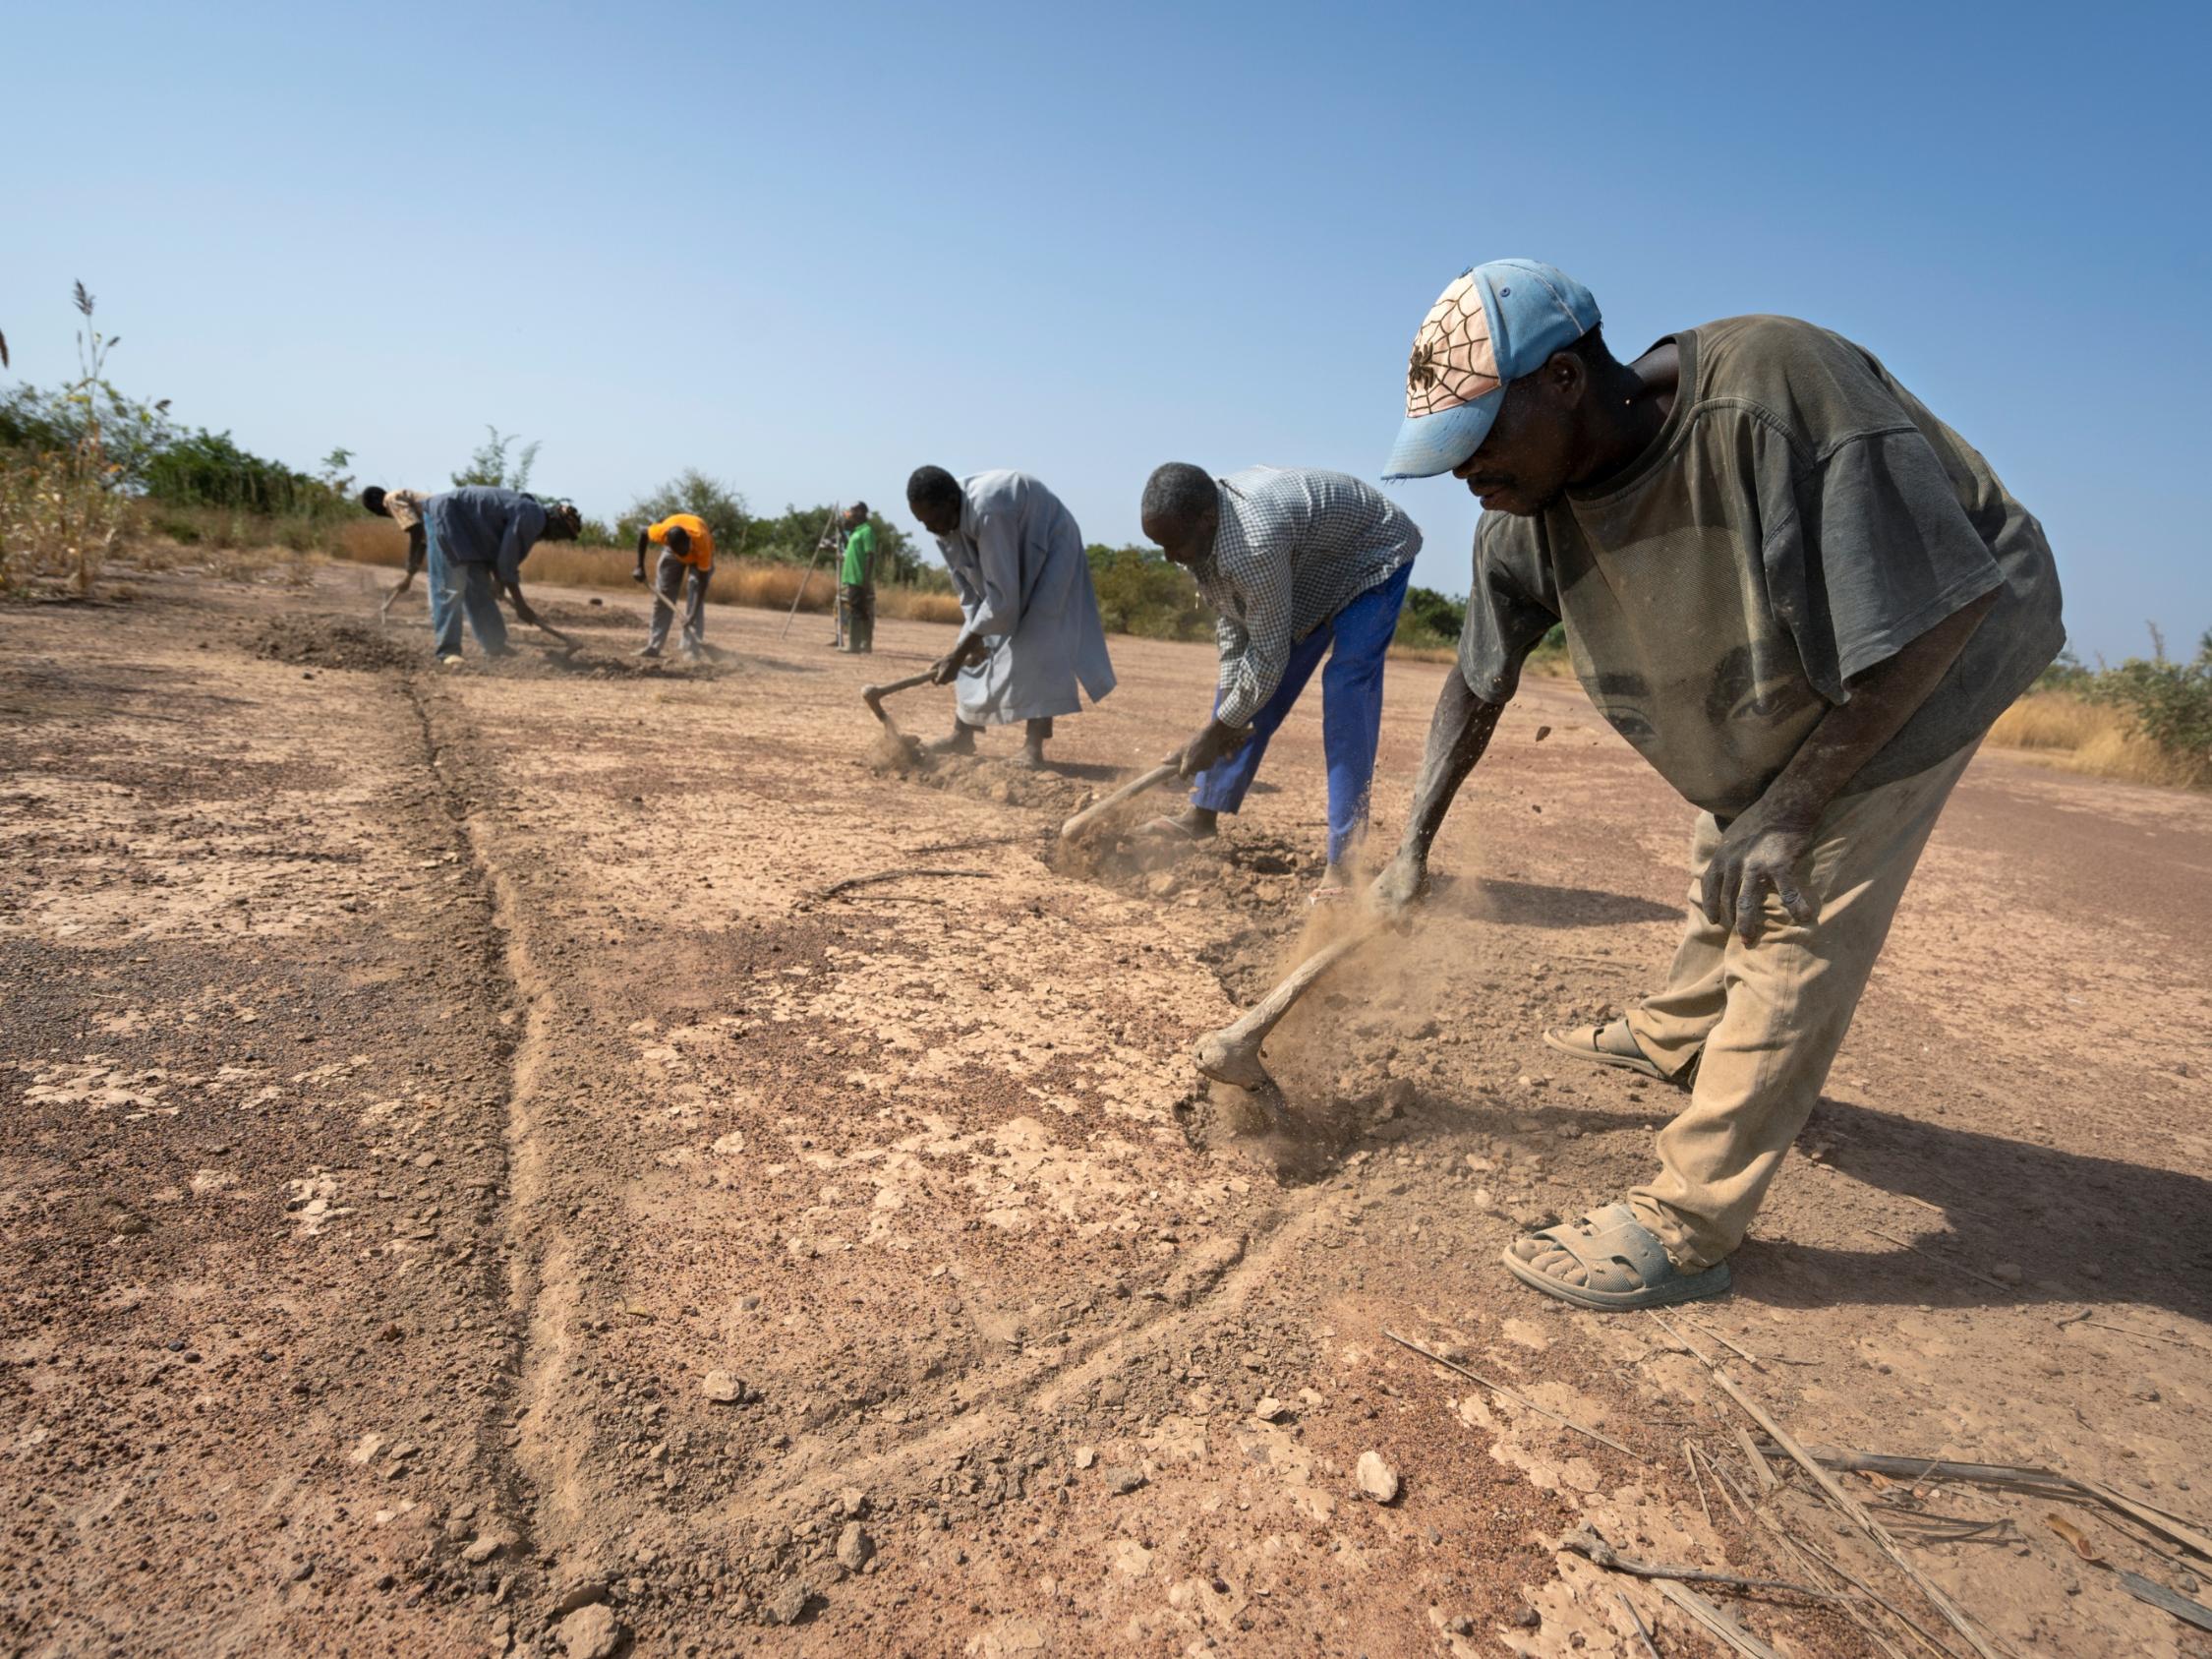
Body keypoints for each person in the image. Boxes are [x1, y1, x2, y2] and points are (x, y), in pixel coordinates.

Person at [1370, 259, 2064, 1310]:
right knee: (1732, 816)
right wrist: (1413, 844)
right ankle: (1677, 1029)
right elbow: (1474, 686)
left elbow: (1932, 610)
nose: (1465, 472)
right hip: (1804, 658)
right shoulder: (1521, 513)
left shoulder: (1773, 390)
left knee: (1792, 885)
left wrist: (1792, 806)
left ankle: (1689, 1222)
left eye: (1477, 441)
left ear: (1562, 379)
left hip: (1938, 641)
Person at [1138, 464, 1423, 899]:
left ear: (1206, 520)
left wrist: (1215, 731)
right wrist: (1222, 725)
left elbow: (1267, 657)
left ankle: (1345, 864)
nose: (1169, 557)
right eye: (1160, 546)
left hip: (1372, 555)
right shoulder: (1199, 535)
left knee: (1347, 690)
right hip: (1310, 567)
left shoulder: (1253, 543)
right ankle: (1201, 817)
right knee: (1246, 699)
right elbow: (1236, 630)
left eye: (1173, 544)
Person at [904, 466, 1116, 767]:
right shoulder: (941, 524)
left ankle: (1033, 748)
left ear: (952, 501)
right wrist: (968, 644)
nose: (930, 528)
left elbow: (1002, 599)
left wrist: (959, 653)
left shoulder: (990, 510)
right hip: (1010, 543)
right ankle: (962, 735)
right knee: (970, 639)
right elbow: (968, 591)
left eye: (933, 520)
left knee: (1039, 638)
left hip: (1050, 542)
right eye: (922, 522)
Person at [419, 487, 583, 664]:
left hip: (469, 534)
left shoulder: (531, 514)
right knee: (451, 587)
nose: (556, 539)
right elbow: (507, 562)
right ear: (556, 526)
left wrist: (498, 582)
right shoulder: (533, 517)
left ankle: (495, 646)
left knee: (480, 589)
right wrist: (521, 605)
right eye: (562, 534)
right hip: (447, 516)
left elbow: (500, 551)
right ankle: (448, 651)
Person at [633, 510, 715, 659]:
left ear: (689, 540)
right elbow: (643, 532)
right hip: (671, 552)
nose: (683, 557)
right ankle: (654, 646)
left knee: (694, 590)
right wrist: (639, 566)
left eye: (684, 551)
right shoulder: (661, 532)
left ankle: (691, 649)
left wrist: (692, 614)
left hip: (697, 553)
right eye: (679, 552)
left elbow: (702, 583)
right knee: (663, 594)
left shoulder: (701, 542)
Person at [361, 486, 431, 617]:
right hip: (449, 526)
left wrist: (410, 561)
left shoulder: (391, 499)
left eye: (373, 509)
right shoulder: (407, 502)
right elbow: (423, 540)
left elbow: (416, 529)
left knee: (437, 581)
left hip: (448, 527)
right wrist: (410, 576)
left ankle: (440, 622)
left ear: (376, 502)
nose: (377, 514)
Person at [837, 503, 877, 654]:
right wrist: (841, 529)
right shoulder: (856, 531)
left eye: (853, 510)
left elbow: (870, 555)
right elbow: (848, 547)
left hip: (859, 577)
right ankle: (864, 644)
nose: (850, 513)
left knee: (857, 610)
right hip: (852, 576)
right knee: (859, 610)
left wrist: (866, 579)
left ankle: (855, 645)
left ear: (861, 512)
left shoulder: (867, 531)